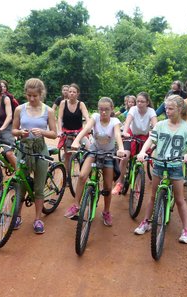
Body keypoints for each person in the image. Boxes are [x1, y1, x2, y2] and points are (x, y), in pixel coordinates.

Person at [134, 95, 187, 244]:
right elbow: (151, 140)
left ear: (180, 109)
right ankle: (146, 222)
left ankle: (186, 230)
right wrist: (143, 152)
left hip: (175, 166)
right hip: (160, 163)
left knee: (180, 200)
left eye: (171, 108)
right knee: (153, 196)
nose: (167, 111)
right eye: (166, 108)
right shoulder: (160, 125)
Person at [64, 97, 125, 226]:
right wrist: (76, 140)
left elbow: (118, 135)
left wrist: (120, 148)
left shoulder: (115, 121)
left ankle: (106, 211)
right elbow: (86, 129)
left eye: (106, 110)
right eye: (101, 109)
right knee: (82, 176)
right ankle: (76, 205)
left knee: (108, 187)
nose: (103, 112)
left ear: (112, 109)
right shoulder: (95, 117)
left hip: (108, 154)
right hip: (94, 151)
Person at [12, 78, 57, 234]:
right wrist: (19, 132)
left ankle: (38, 219)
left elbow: (54, 134)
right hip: (23, 149)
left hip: (40, 149)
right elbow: (13, 130)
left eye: (35, 96)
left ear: (41, 94)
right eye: (29, 95)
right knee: (20, 183)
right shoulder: (20, 109)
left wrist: (42, 132)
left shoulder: (48, 111)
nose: (31, 99)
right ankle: (17, 216)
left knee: (38, 186)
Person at [112, 92, 158, 194]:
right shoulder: (133, 109)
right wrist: (124, 132)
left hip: (144, 137)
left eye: (142, 101)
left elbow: (155, 126)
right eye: (138, 101)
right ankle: (119, 183)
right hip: (131, 134)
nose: (139, 103)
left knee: (148, 158)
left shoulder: (151, 111)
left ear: (147, 103)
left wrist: (155, 135)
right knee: (125, 156)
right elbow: (128, 121)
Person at [57, 83, 90, 176]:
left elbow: (87, 116)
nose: (71, 93)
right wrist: (59, 130)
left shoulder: (81, 104)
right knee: (67, 155)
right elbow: (59, 118)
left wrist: (89, 126)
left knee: (89, 149)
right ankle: (67, 176)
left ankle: (87, 171)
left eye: (74, 92)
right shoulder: (63, 103)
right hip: (67, 131)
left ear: (77, 94)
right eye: (70, 91)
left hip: (79, 132)